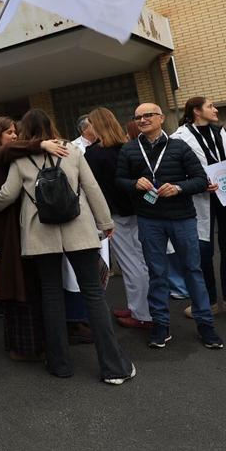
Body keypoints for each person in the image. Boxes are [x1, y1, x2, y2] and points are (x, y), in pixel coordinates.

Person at [0, 109, 135, 383]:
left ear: (25, 131)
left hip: (41, 234)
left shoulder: (21, 158)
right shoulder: (72, 150)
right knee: (94, 295)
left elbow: (7, 195)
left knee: (51, 296)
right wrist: (105, 222)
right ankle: (114, 366)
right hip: (79, 227)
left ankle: (60, 364)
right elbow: (91, 187)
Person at [115, 103, 222, 351]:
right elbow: (119, 181)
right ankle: (160, 325)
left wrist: (178, 188)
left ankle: (206, 325)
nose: (142, 120)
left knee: (193, 271)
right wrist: (134, 184)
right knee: (157, 273)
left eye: (148, 115)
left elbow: (200, 180)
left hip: (182, 218)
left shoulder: (179, 146)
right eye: (138, 116)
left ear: (161, 118)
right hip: (149, 218)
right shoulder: (130, 149)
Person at [0, 117, 66, 362]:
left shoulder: (5, 154)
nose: (14, 136)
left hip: (17, 225)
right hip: (8, 228)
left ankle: (34, 343)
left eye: (16, 131)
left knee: (27, 282)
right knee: (18, 283)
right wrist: (42, 145)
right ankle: (24, 346)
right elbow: (9, 151)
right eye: (9, 132)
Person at [171, 97, 226, 320]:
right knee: (203, 253)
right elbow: (176, 172)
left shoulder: (221, 132)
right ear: (196, 111)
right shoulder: (178, 138)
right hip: (201, 200)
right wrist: (198, 184)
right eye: (210, 106)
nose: (215, 110)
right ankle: (207, 302)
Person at [84, 107, 151, 330]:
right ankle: (139, 307)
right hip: (138, 210)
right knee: (140, 260)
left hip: (115, 215)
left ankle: (142, 313)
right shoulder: (129, 148)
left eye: (91, 124)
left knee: (131, 264)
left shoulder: (93, 154)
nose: (89, 129)